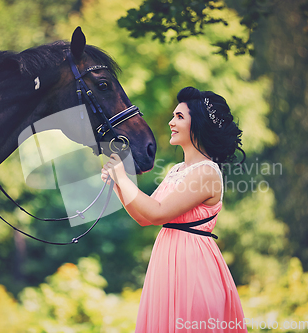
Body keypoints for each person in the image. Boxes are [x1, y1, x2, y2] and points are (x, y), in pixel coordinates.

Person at [101, 86, 248, 332]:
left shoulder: (206, 172)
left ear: (198, 124)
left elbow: (158, 212)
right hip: (168, 261)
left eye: (179, 117)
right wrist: (118, 183)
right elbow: (144, 217)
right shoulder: (177, 170)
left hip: (193, 266)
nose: (171, 122)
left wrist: (124, 180)